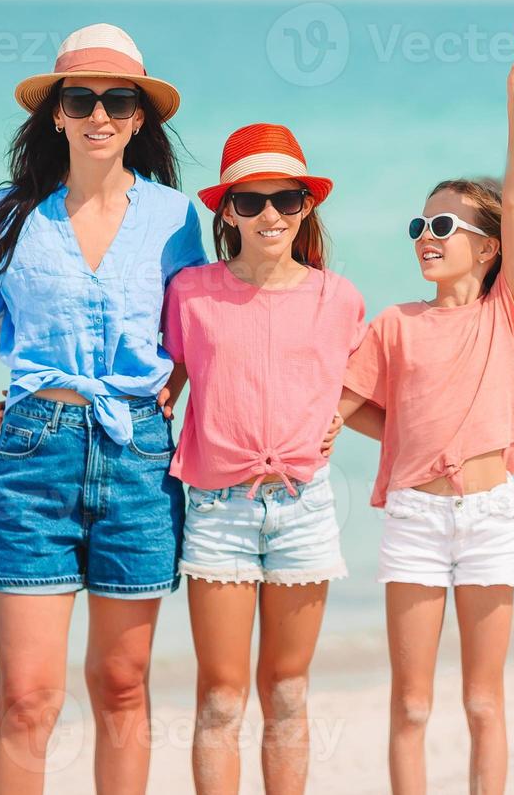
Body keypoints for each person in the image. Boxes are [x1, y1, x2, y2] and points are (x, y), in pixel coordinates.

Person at [0, 23, 206, 794]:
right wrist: (31, 374)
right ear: (56, 113)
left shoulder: (176, 218)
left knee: (123, 688)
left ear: (139, 118)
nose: (100, 113)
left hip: (138, 459)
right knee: (29, 697)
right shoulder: (8, 214)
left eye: (118, 99)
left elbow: (204, 324)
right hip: (36, 456)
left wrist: (185, 385)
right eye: (82, 98)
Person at [339, 27, 514, 794]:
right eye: (419, 227)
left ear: (487, 248)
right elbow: (343, 409)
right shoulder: (394, 324)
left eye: (443, 227)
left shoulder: (508, 313)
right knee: (413, 704)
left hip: (491, 518)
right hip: (415, 523)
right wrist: (402, 437)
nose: (426, 238)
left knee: (483, 701)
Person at [159, 123, 377, 794]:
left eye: (285, 199)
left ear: (307, 205)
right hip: (218, 511)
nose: (269, 215)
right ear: (225, 210)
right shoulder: (191, 293)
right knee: (222, 698)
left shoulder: (336, 297)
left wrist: (341, 417)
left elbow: (367, 386)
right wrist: (35, 398)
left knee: (286, 691)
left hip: (304, 510)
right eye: (250, 202)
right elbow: (163, 383)